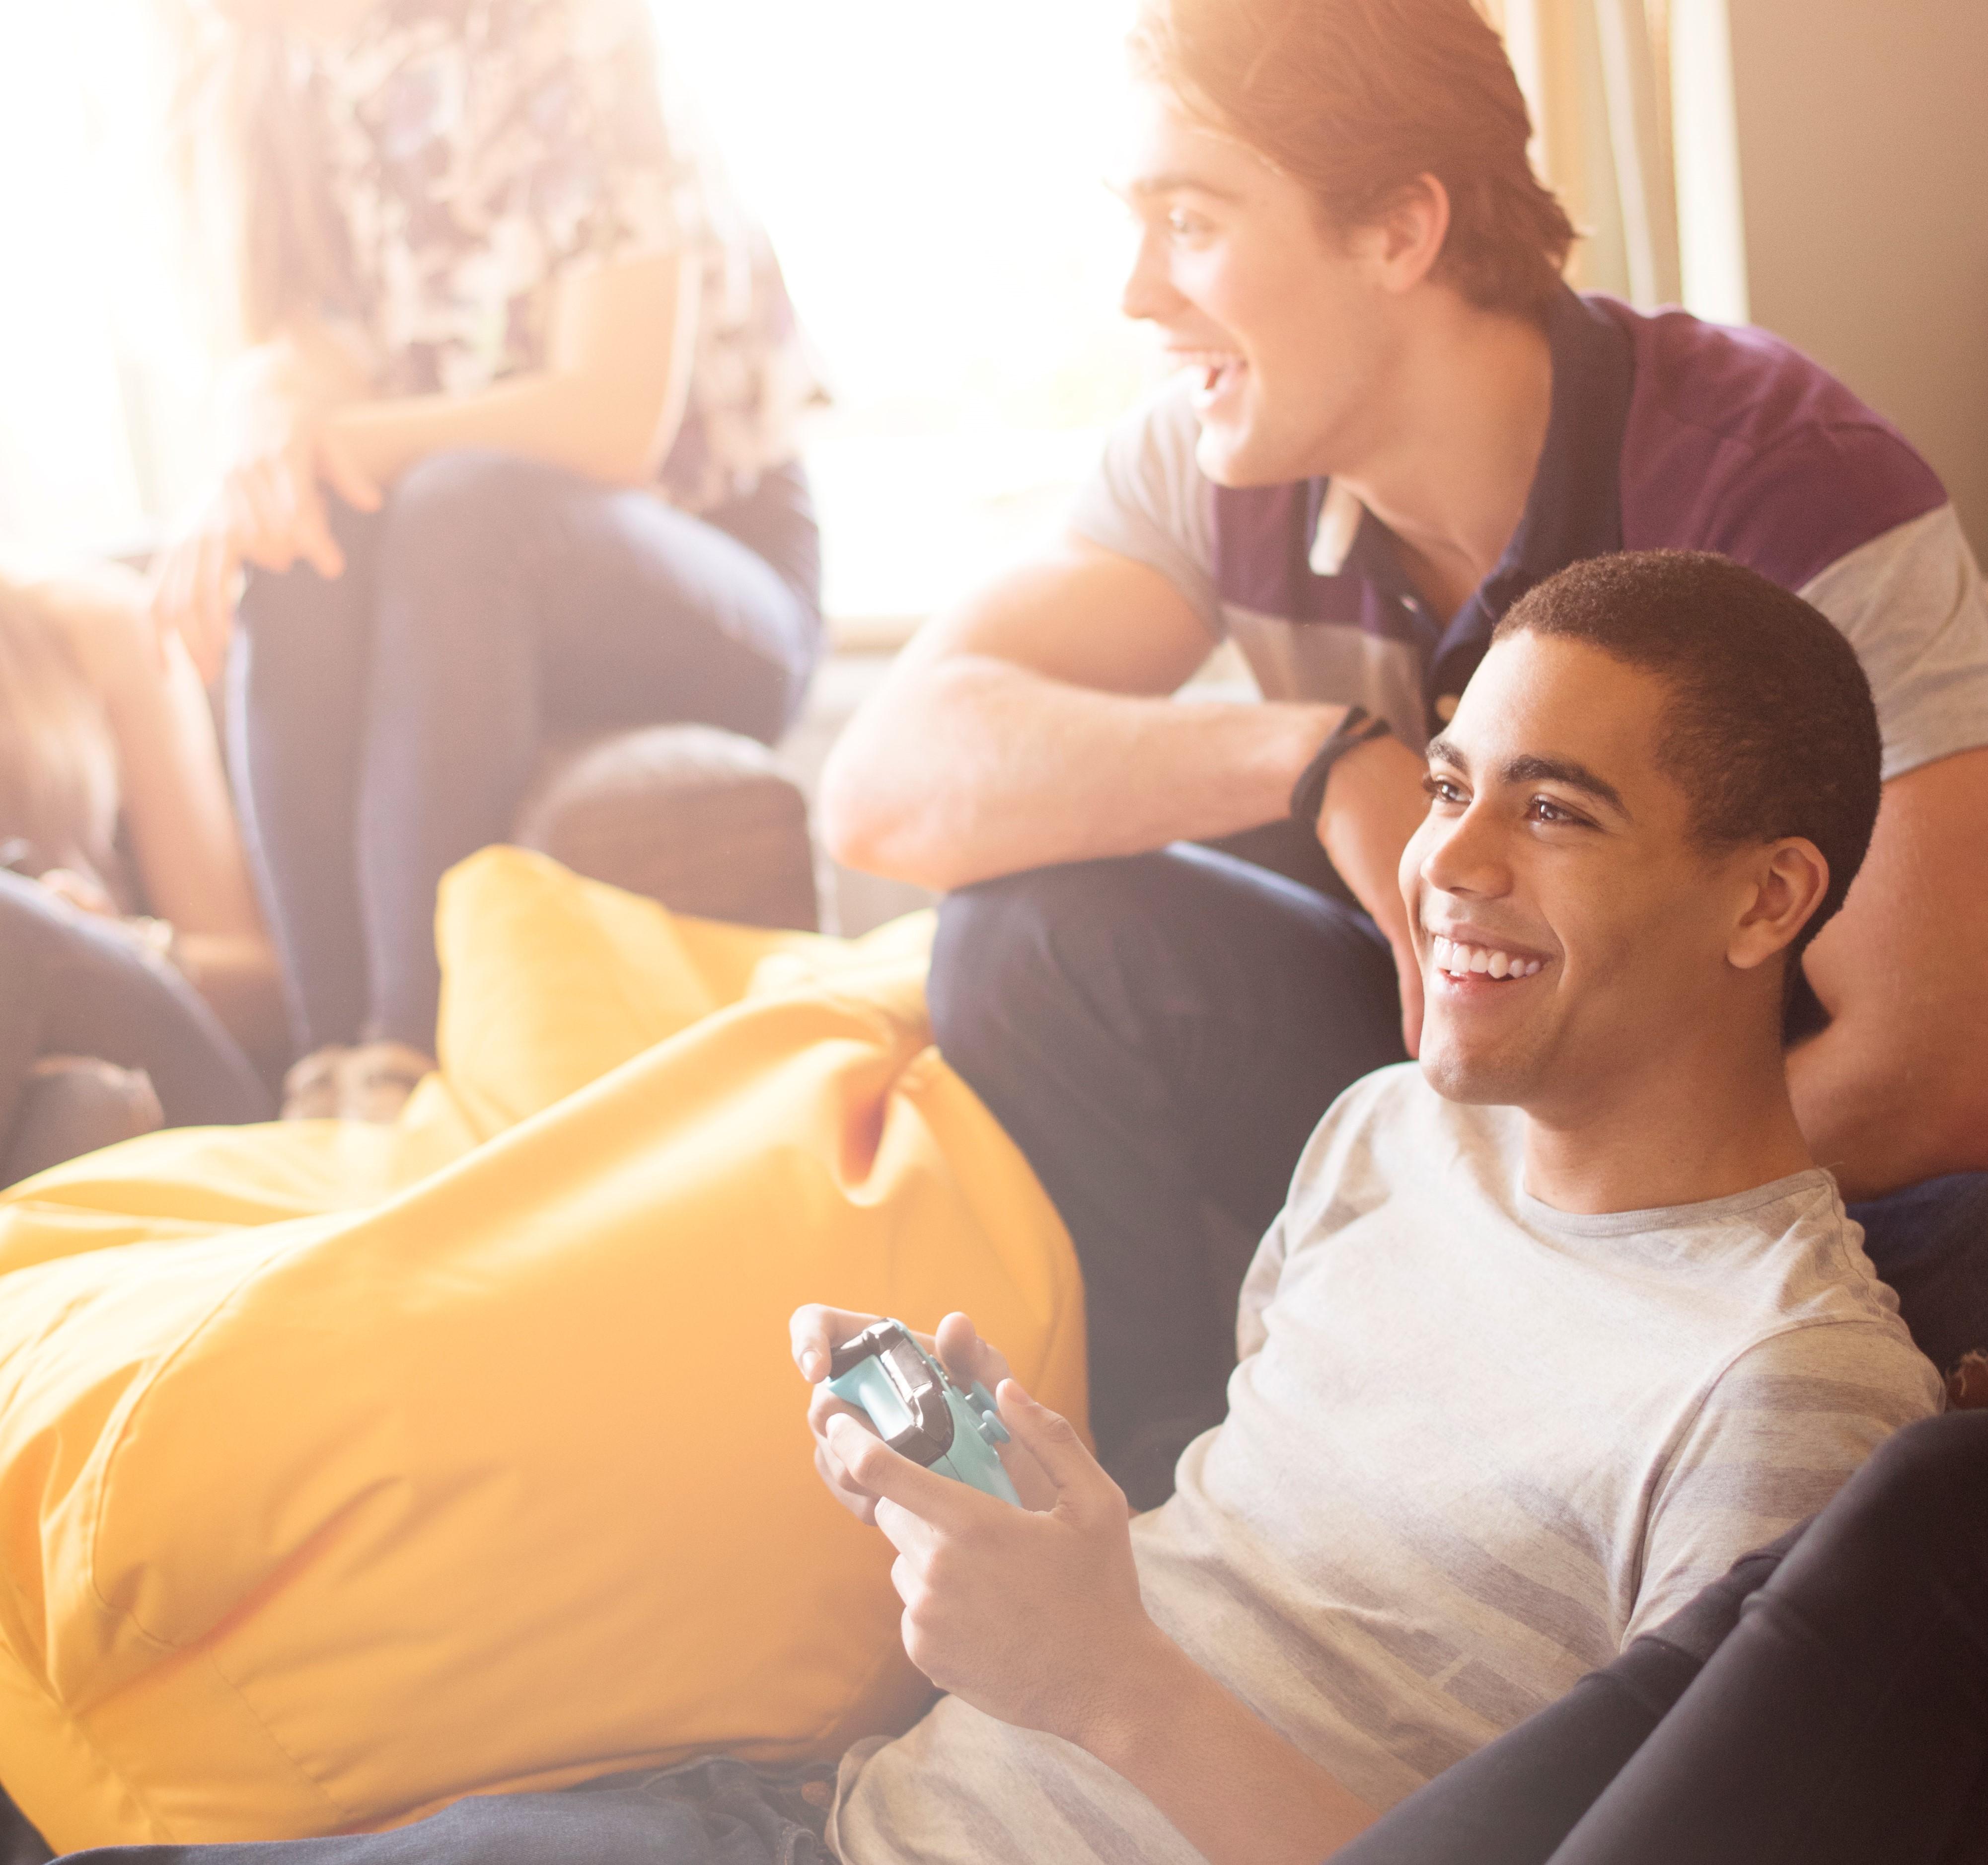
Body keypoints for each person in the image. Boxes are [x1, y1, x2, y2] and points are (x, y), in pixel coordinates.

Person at [819, 0, 1988, 1500]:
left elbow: (1929, 1063)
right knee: (1021, 940)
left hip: (1740, 1173)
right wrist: (1320, 761)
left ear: (1398, 230)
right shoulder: (1212, 457)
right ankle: (1158, 1494)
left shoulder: (1781, 487)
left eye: (1190, 222)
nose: (1133, 293)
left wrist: (1483, 1233)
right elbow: (882, 783)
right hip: (1445, 1094)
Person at [796, 551, 1955, 1865]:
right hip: (826, 1820)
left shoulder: (1788, 1391)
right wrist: (1009, 1518)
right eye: (1450, 786)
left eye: (1554, 811)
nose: (1446, 855)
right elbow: (1253, 1571)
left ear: (1766, 898)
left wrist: (1105, 1682)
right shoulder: (1392, 1127)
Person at [151, 0, 824, 1121]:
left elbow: (614, 420)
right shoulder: (276, 81)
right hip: (459, 598)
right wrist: (262, 441)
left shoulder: (572, 36)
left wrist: (330, 444)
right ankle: (327, 1078)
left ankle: (403, 1064)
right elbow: (301, 369)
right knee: (304, 536)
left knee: (454, 505)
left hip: (715, 566)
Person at [0, 558, 277, 1178]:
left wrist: (113, 943)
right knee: (81, 1111)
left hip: (170, 1067)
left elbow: (264, 979)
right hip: (57, 1118)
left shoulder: (99, 628)